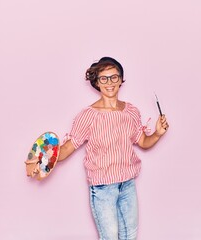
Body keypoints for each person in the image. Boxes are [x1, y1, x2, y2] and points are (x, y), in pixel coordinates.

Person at [57, 57, 169, 240]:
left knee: (129, 236)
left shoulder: (131, 111)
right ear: (97, 83)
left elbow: (143, 142)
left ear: (121, 80)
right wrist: (44, 158)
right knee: (109, 237)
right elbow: (68, 148)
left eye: (114, 77)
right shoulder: (88, 116)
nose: (109, 83)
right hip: (103, 187)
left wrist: (157, 133)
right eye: (104, 78)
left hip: (128, 184)